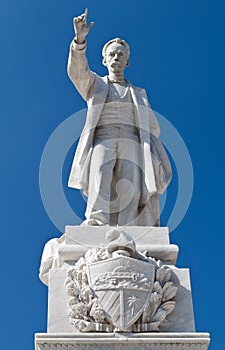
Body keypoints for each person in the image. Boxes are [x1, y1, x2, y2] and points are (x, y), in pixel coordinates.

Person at [67, 9, 172, 226]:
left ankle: (128, 226)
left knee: (130, 184)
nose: (116, 58)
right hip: (103, 137)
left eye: (121, 55)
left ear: (127, 62)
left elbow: (153, 126)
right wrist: (79, 41)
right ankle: (97, 221)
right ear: (104, 60)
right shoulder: (96, 84)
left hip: (132, 140)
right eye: (112, 54)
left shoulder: (140, 94)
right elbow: (78, 72)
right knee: (99, 176)